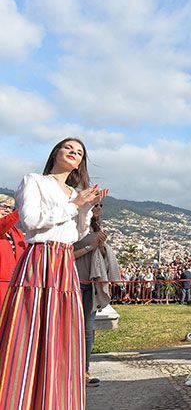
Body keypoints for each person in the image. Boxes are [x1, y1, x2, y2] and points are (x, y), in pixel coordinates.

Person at [0, 138, 107, 410]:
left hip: (63, 262)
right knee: (30, 327)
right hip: (40, 257)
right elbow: (31, 221)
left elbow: (77, 234)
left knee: (62, 331)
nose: (74, 153)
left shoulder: (74, 192)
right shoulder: (34, 180)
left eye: (79, 152)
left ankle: (54, 399)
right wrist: (74, 205)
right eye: (69, 148)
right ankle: (20, 397)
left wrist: (85, 207)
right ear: (56, 152)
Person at [74, 200, 119, 388]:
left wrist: (100, 247)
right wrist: (90, 247)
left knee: (88, 330)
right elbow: (66, 254)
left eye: (100, 205)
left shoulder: (97, 227)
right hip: (74, 282)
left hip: (91, 285)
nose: (98, 208)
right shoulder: (74, 226)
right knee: (71, 328)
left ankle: (84, 370)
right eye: (94, 204)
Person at [0, 195, 26, 308]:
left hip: (16, 283)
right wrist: (22, 210)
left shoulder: (17, 232)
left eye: (11, 208)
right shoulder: (3, 226)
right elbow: (3, 224)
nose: (8, 210)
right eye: (4, 206)